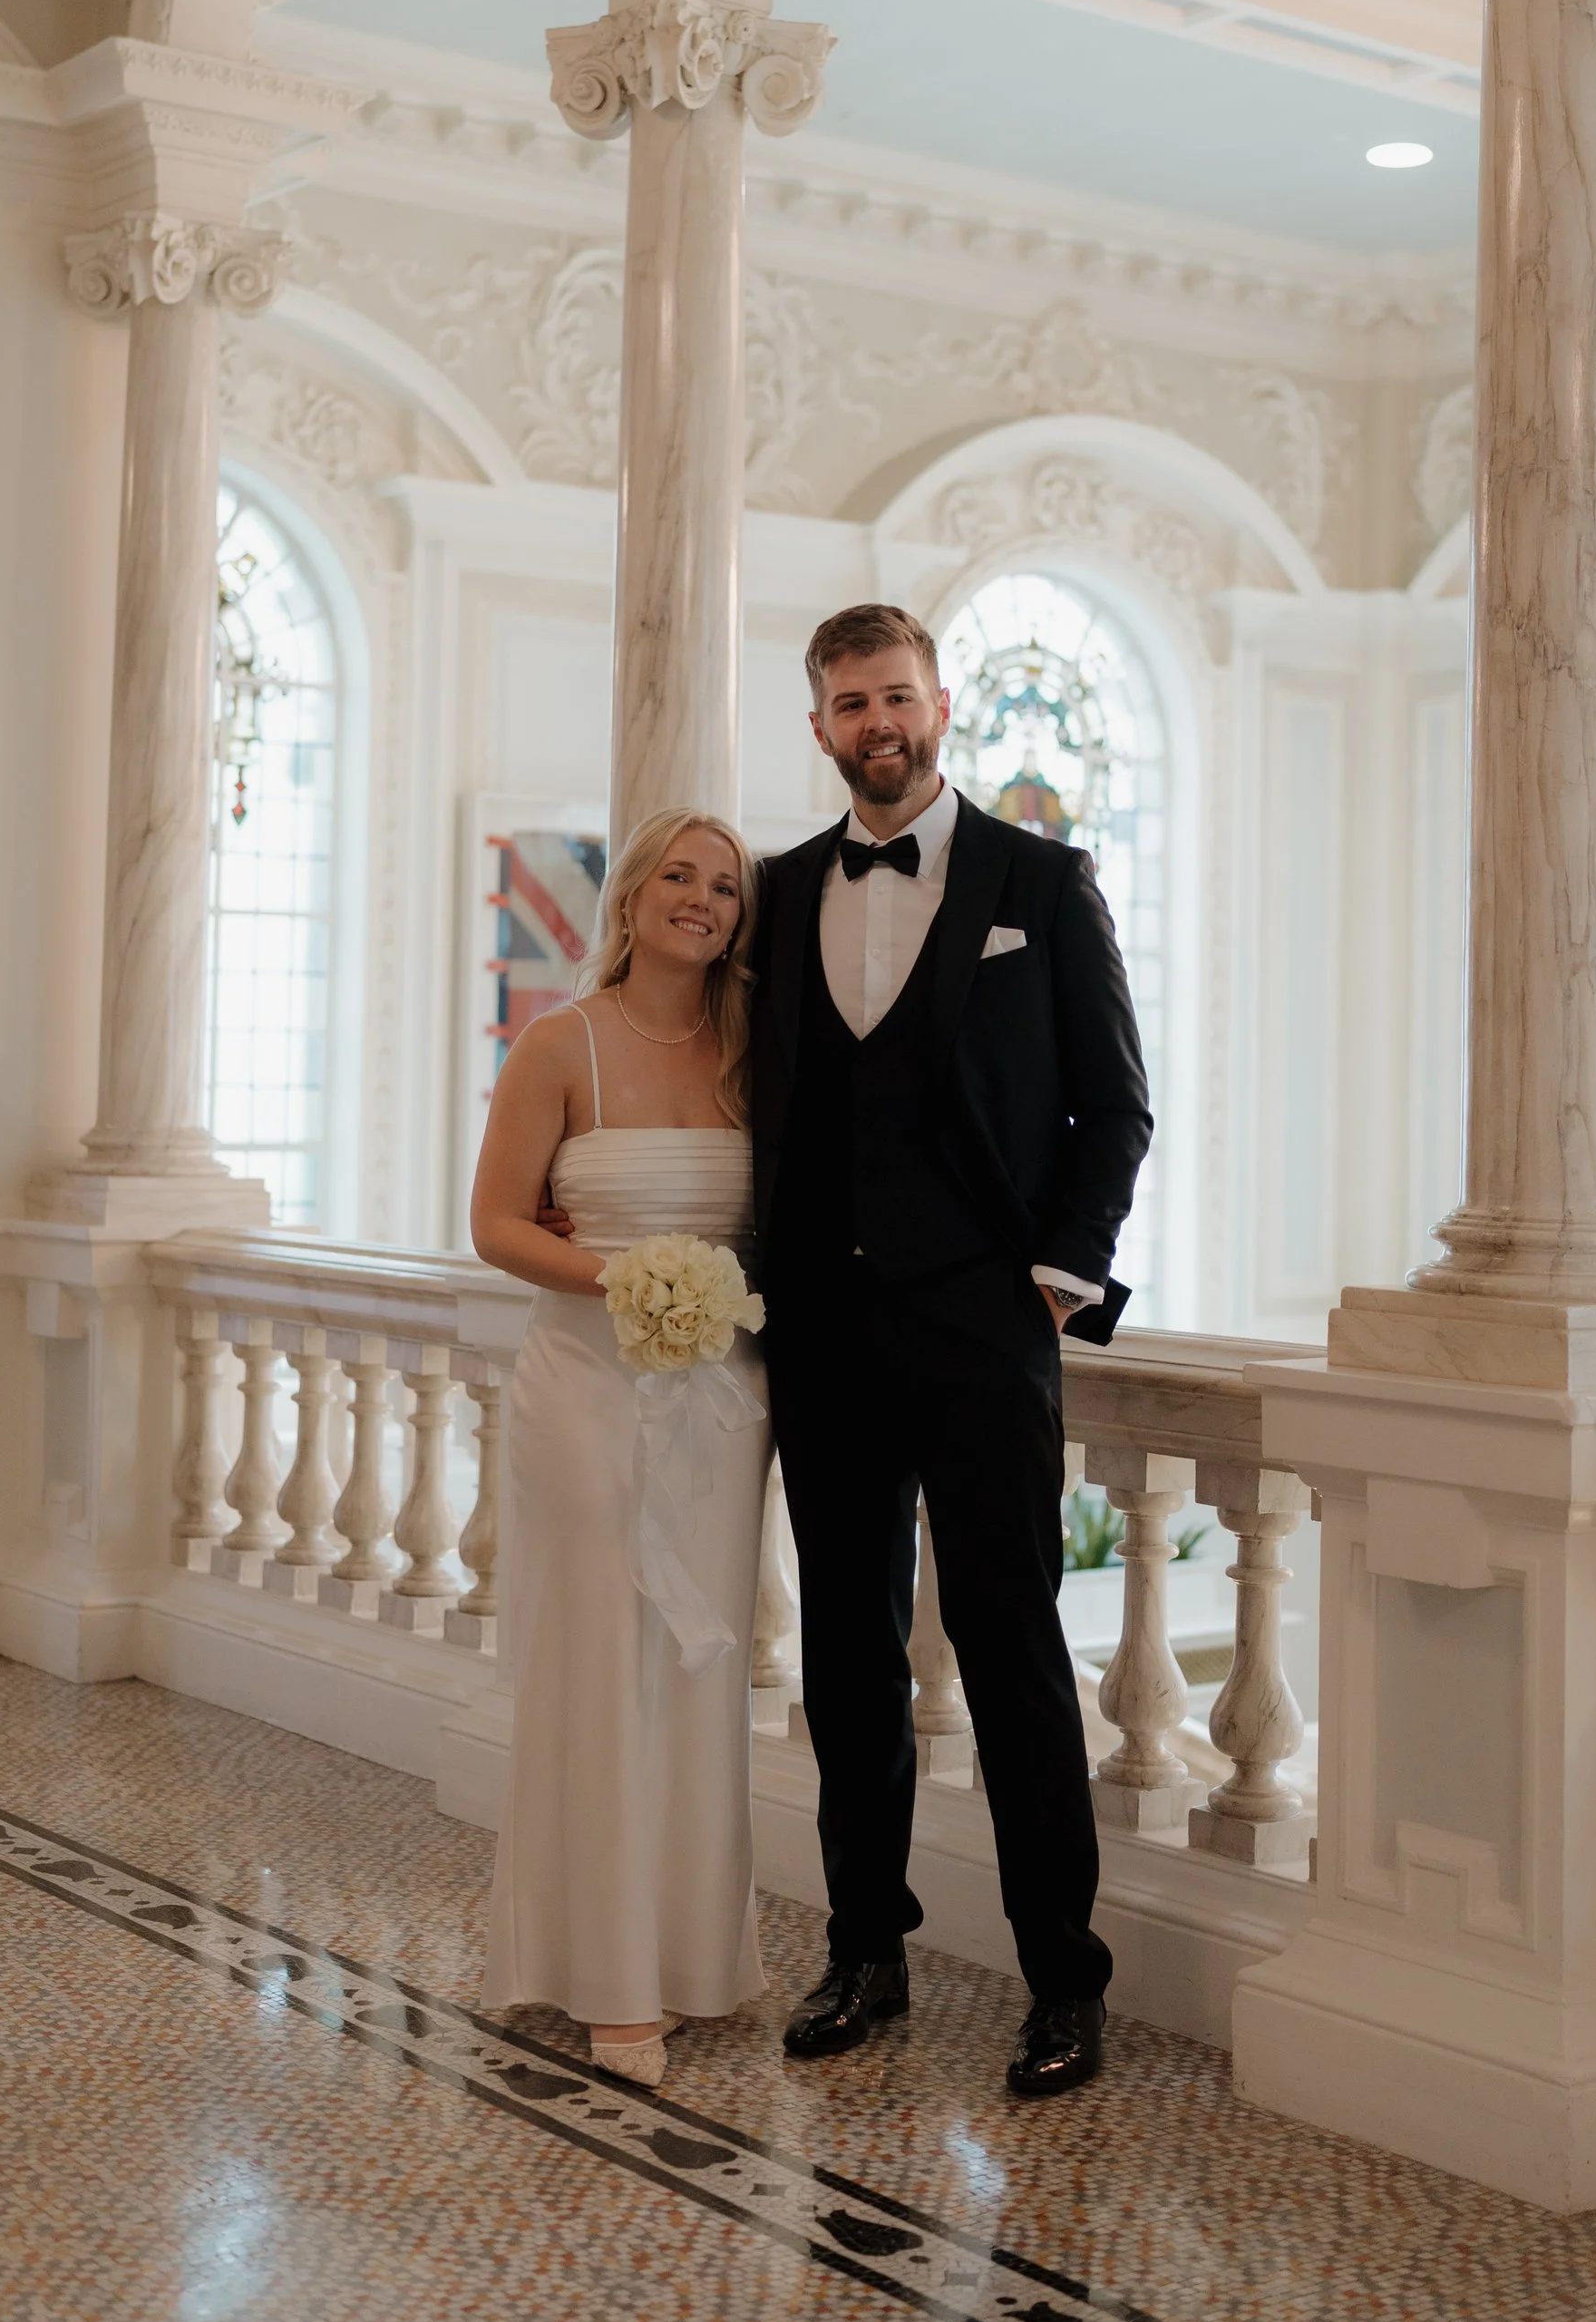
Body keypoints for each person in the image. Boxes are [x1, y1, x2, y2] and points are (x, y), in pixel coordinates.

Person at [752, 606, 1153, 2099]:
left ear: (942, 703)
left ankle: (1064, 1977)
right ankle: (866, 1949)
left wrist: (1052, 1279)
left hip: (986, 1329)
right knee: (846, 1654)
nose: (880, 722)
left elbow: (1113, 1106)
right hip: (823, 1332)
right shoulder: (784, 890)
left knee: (1011, 1647)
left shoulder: (1041, 882)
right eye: (852, 702)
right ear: (821, 726)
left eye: (900, 695)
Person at [472, 810, 771, 2091]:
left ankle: (693, 1954)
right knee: (598, 1658)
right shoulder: (561, 1042)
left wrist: (712, 1301)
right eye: (680, 877)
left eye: (725, 886)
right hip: (587, 1389)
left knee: (700, 1665)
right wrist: (624, 1278)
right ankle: (599, 1971)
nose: (701, 900)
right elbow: (493, 1223)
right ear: (635, 892)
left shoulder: (756, 1052)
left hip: (721, 1400)